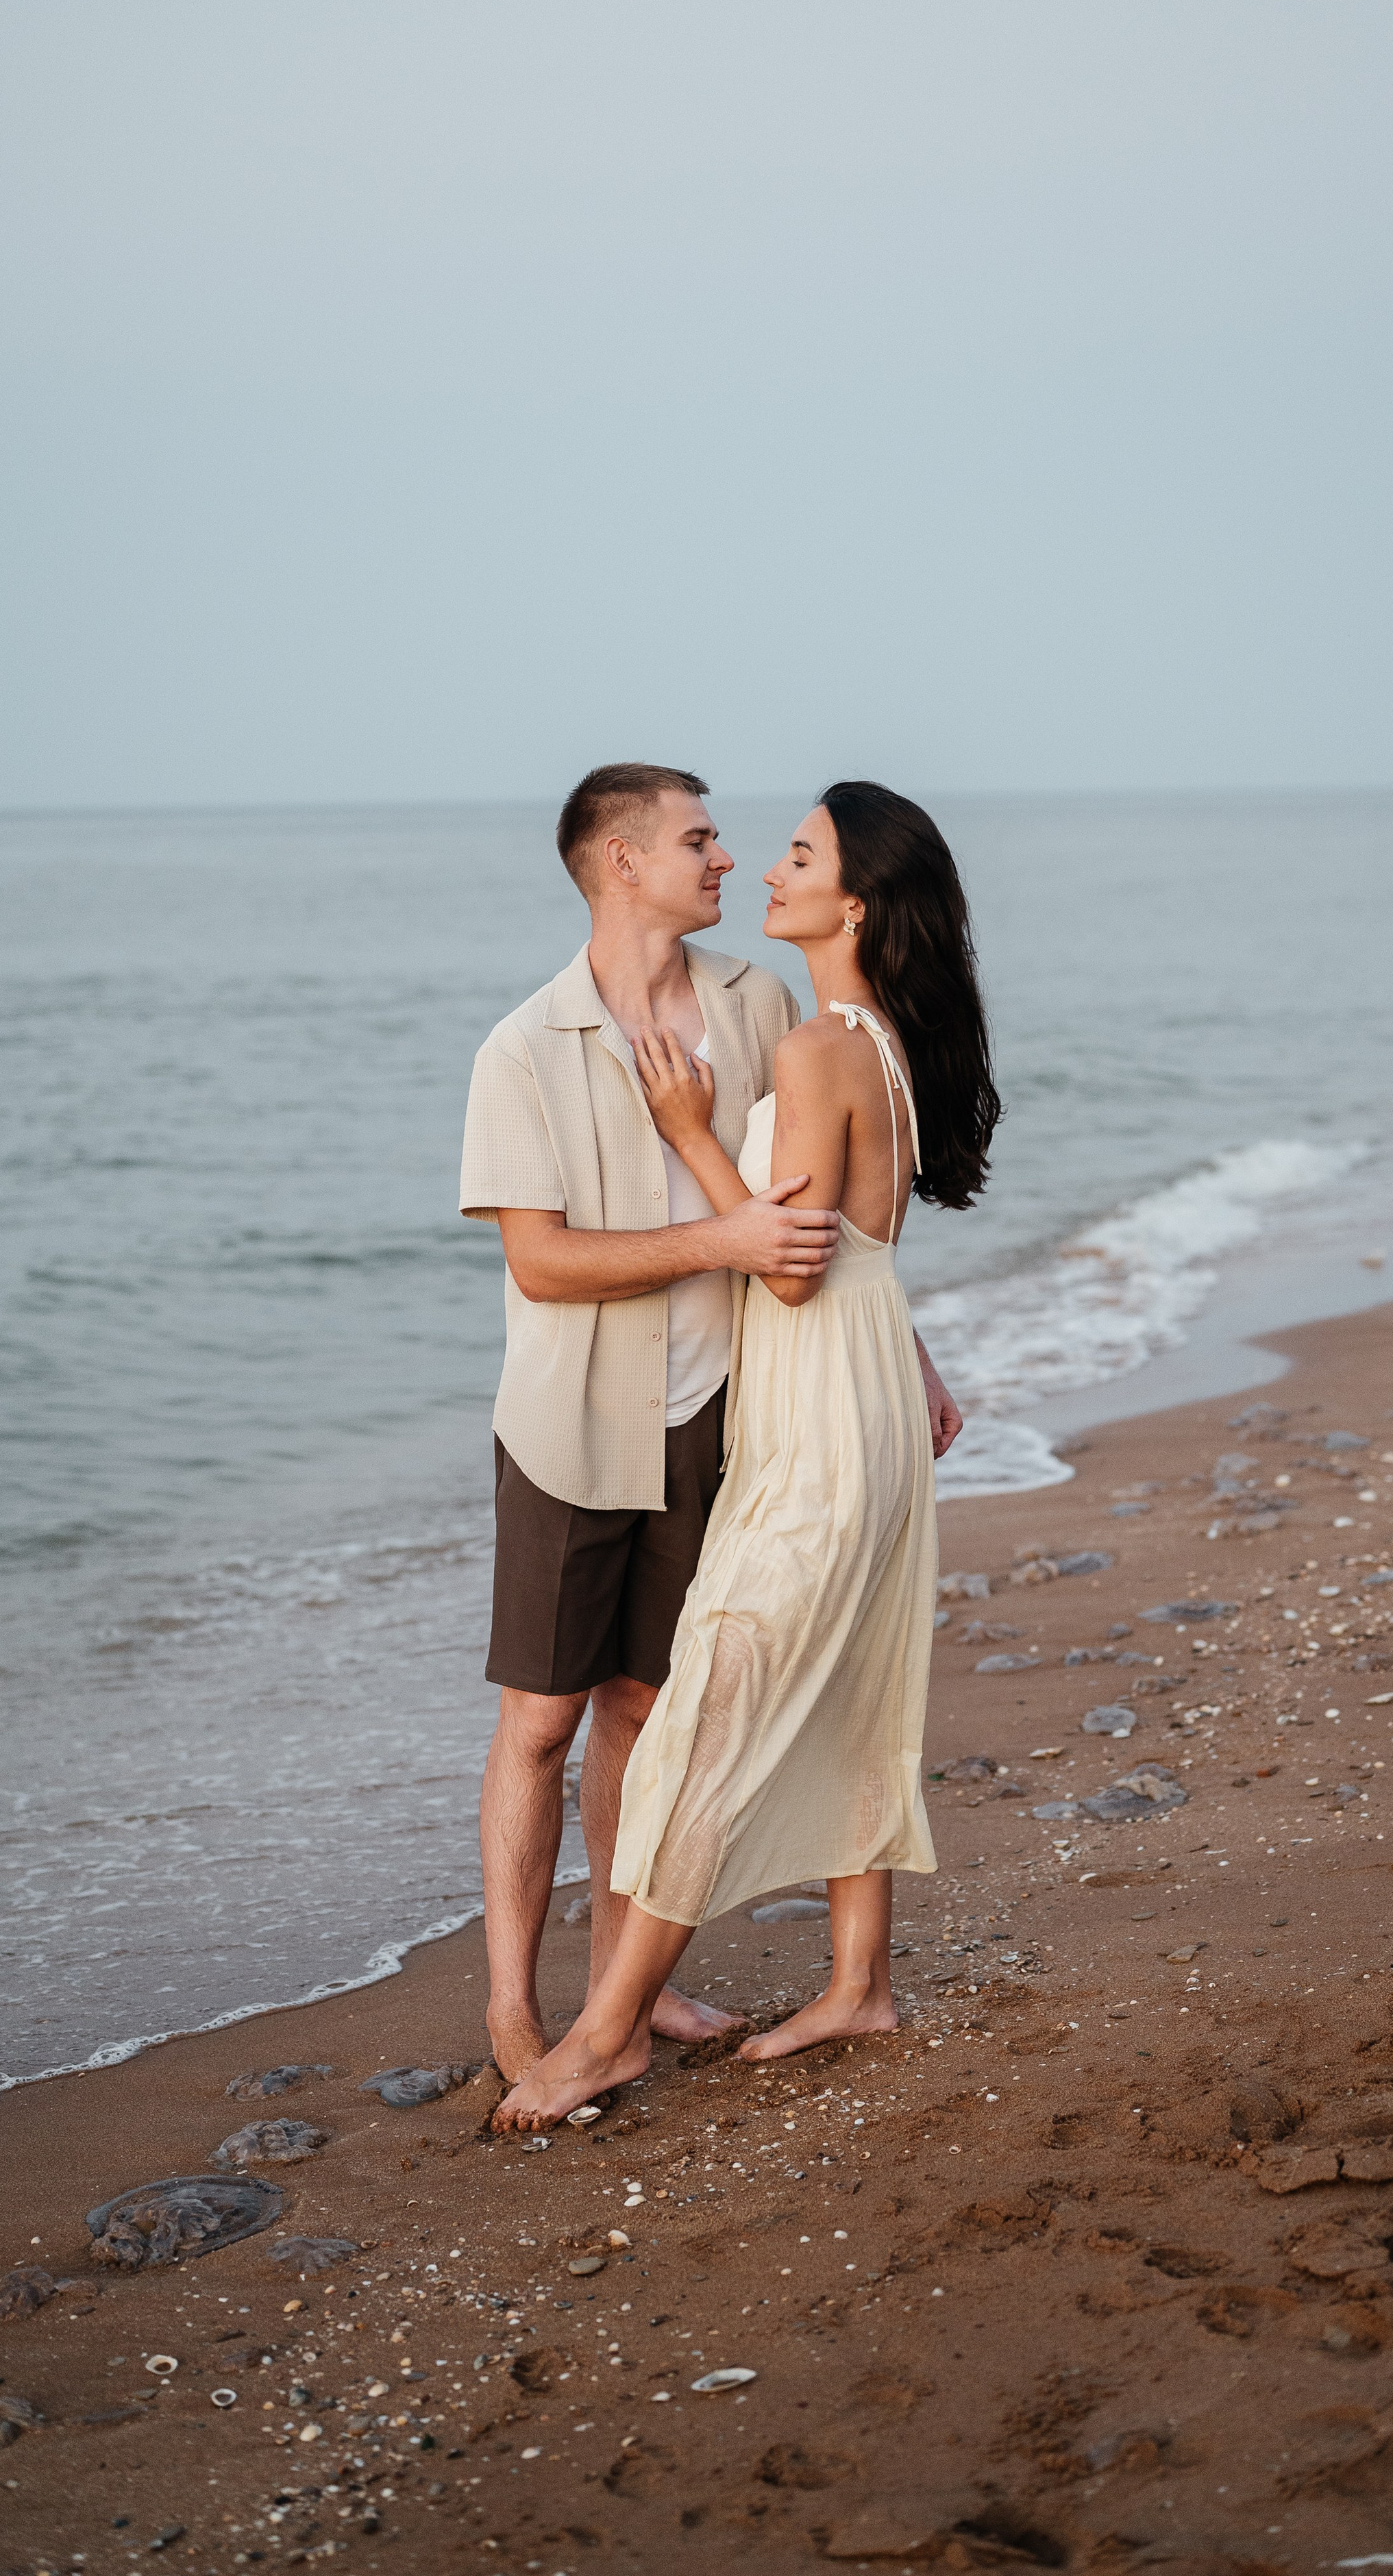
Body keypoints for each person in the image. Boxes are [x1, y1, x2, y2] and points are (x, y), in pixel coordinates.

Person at [493, 780, 995, 2129]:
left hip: (822, 1413)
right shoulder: (863, 1039)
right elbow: (855, 1246)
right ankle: (857, 1983)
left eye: (797, 854)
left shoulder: (821, 1048)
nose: (765, 868)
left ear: (856, 902)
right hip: (864, 1387)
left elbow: (787, 1267)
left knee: (708, 1705)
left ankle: (599, 2033)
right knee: (845, 1685)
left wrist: (685, 1138)